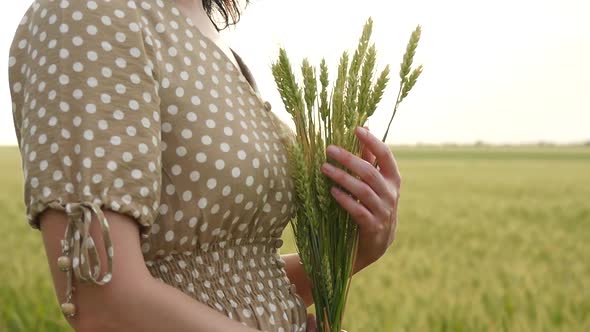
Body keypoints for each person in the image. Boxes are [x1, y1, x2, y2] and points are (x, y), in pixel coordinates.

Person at [7, 0, 402, 331]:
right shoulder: (88, 14)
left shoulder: (208, 35)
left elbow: (235, 287)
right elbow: (106, 305)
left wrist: (354, 252)